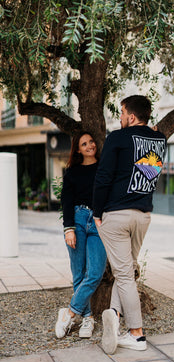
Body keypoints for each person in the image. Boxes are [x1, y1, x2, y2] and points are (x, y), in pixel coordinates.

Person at [93, 95, 166, 354]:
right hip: (142, 216)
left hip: (116, 215)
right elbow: (148, 170)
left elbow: (103, 176)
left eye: (122, 112)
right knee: (125, 271)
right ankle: (113, 314)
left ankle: (137, 334)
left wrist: (97, 211)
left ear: (131, 116)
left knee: (123, 275)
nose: (120, 117)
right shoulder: (159, 140)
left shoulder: (117, 138)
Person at [55, 131, 107, 339]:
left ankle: (68, 313)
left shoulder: (104, 168)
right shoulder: (72, 172)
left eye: (91, 142)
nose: (89, 146)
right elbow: (66, 201)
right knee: (79, 274)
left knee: (94, 273)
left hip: (98, 223)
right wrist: (68, 229)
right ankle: (88, 319)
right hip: (77, 220)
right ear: (78, 149)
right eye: (84, 144)